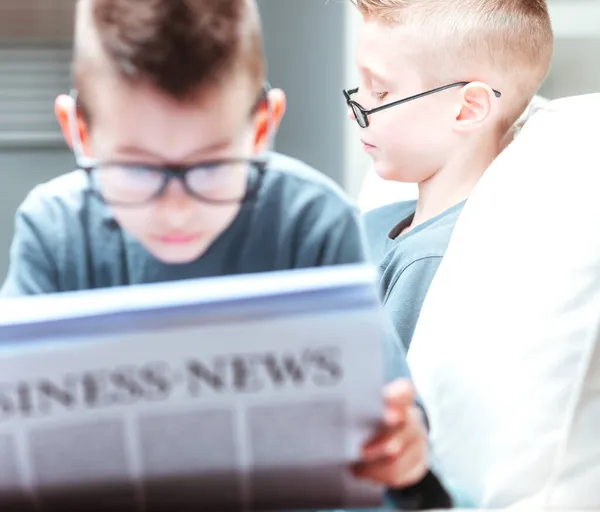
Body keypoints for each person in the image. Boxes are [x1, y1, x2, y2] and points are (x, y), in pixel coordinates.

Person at [0, 0, 450, 508]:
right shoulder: (55, 229)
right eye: (136, 170)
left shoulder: (313, 221)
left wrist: (402, 450)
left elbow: (393, 424)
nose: (175, 211)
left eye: (211, 167)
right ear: (78, 131)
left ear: (262, 128)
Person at [345, 0, 554, 350]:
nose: (355, 113)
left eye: (379, 91)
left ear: (467, 110)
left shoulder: (436, 260)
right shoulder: (374, 222)